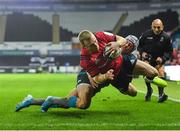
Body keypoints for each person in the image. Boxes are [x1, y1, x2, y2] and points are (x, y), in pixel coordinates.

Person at [15, 30, 167, 112]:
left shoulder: (100, 36)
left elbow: (120, 38)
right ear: (84, 46)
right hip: (92, 78)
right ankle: (35, 100)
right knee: (80, 104)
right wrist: (105, 77)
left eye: (95, 41)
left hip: (118, 67)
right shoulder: (85, 59)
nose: (96, 44)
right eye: (92, 44)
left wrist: (116, 44)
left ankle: (148, 80)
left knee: (148, 76)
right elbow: (96, 79)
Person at [138, 19, 173, 102]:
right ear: (151, 26)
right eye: (154, 27)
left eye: (159, 27)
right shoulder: (146, 35)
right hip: (147, 59)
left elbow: (169, 51)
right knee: (147, 75)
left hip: (159, 60)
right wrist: (142, 53)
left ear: (162, 27)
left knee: (160, 73)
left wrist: (163, 58)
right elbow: (139, 46)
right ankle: (149, 89)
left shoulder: (166, 37)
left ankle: (161, 95)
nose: (156, 29)